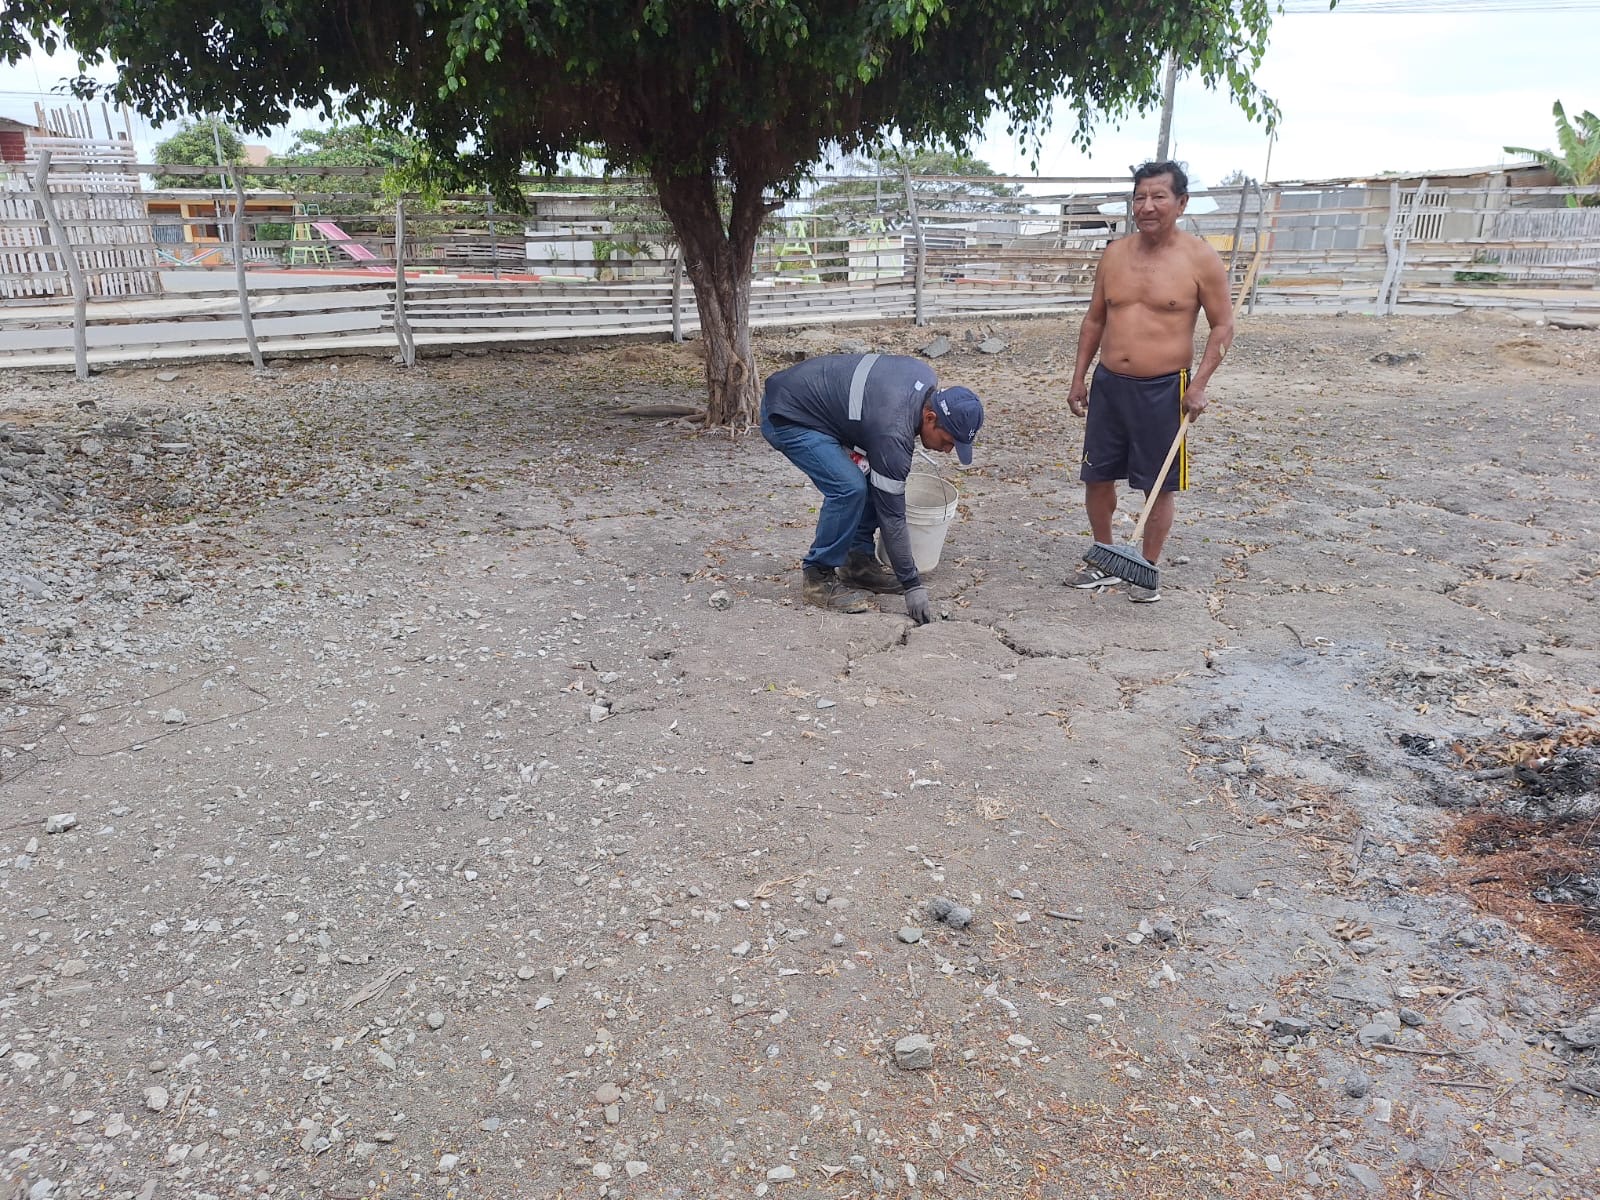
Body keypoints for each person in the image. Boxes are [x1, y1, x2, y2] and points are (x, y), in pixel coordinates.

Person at [1066, 160, 1234, 603]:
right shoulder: (1114, 255)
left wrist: (1199, 384)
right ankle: (1105, 559)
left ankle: (1146, 568)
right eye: (1140, 197)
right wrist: (1079, 377)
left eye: (1159, 196)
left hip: (1164, 390)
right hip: (1109, 385)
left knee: (1157, 485)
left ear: (1181, 202)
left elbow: (1223, 325)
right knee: (1097, 477)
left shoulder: (1200, 258)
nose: (1147, 206)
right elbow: (1094, 319)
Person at [760, 353, 984, 624]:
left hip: (818, 409)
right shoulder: (893, 429)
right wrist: (911, 584)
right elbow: (892, 515)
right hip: (788, 414)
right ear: (930, 417)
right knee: (849, 487)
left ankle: (857, 563)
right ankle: (817, 577)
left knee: (875, 479)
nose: (948, 450)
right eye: (949, 441)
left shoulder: (924, 379)